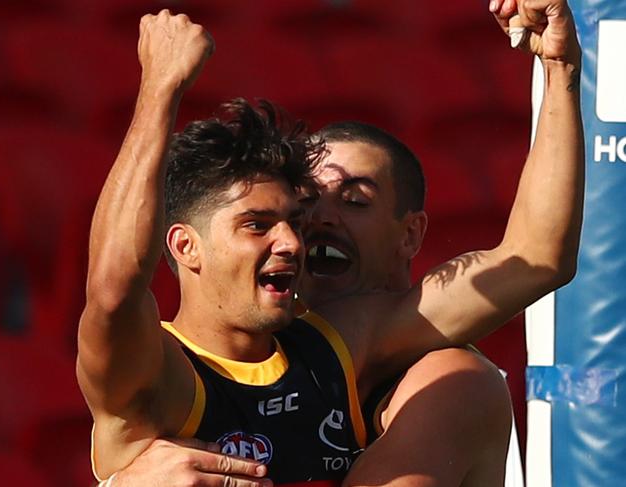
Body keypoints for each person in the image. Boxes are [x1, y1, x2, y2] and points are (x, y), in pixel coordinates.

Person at [84, 0, 585, 484]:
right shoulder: (156, 373)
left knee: (463, 375)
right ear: (185, 245)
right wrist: (160, 89)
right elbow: (113, 288)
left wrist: (560, 66)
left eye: (291, 220)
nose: (293, 240)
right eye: (257, 225)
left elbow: (535, 258)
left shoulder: (339, 346)